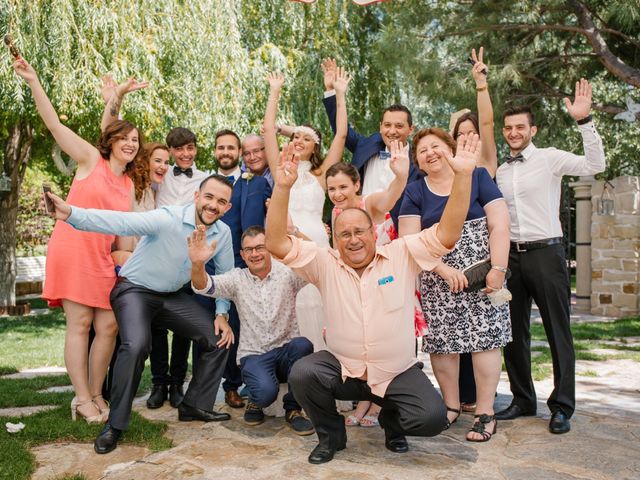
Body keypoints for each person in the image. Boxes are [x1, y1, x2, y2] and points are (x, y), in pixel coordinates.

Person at [265, 134, 480, 464]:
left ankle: (391, 424)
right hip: (345, 370)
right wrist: (282, 188)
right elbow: (277, 244)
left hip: (394, 371)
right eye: (344, 234)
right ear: (335, 240)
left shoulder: (401, 254)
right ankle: (332, 435)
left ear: (373, 232)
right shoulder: (323, 263)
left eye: (359, 232)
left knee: (432, 418)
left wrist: (463, 176)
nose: (353, 240)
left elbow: (447, 234)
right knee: (303, 373)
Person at [45, 174, 236, 454]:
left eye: (221, 202)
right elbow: (119, 221)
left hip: (171, 297)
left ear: (227, 208)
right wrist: (70, 213)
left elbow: (226, 276)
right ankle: (115, 425)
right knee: (136, 346)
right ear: (197, 196)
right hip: (134, 290)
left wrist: (222, 313)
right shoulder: (167, 218)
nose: (213, 205)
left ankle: (194, 404)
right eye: (209, 197)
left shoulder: (223, 233)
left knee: (218, 337)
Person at [13, 58, 142, 424]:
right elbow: (54, 125)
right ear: (111, 141)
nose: (131, 144)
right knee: (81, 324)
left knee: (109, 326)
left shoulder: (128, 184)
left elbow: (124, 231)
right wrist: (34, 78)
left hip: (103, 258)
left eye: (136, 140)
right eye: (125, 138)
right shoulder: (89, 160)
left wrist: (126, 259)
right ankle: (82, 398)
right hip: (72, 250)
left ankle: (97, 392)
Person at [495, 80, 606, 435]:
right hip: (511, 258)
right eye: (509, 128)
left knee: (558, 331)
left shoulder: (550, 158)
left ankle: (562, 407)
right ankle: (523, 399)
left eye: (520, 127)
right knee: (512, 334)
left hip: (547, 252)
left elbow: (595, 163)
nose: (514, 133)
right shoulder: (501, 169)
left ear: (533, 130)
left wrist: (584, 121)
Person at [399, 127, 511, 442]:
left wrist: (498, 269)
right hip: (436, 278)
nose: (430, 153)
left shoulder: (478, 177)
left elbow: (499, 223)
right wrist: (442, 268)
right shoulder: (414, 191)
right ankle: (450, 405)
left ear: (451, 148)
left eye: (435, 146)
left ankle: (485, 412)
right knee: (442, 344)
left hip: (483, 274)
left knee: (485, 340)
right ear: (417, 161)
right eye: (422, 151)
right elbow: (409, 240)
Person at [189, 225, 314, 434]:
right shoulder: (237, 279)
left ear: (270, 250)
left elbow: (314, 260)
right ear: (243, 254)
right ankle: (256, 400)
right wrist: (198, 263)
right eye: (249, 249)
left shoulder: (288, 274)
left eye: (260, 247)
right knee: (265, 392)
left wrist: (297, 233)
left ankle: (293, 410)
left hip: (286, 352)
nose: (255, 254)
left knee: (303, 345)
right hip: (254, 354)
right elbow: (204, 286)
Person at [263, 67, 350, 351]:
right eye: (295, 137)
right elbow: (267, 130)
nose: (298, 141)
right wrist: (274, 91)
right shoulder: (280, 169)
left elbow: (341, 135)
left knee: (315, 302)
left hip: (314, 242)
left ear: (315, 147)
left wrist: (340, 94)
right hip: (282, 243)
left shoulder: (322, 174)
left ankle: (321, 371)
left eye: (305, 138)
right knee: (284, 305)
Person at [450, 46, 499, 412]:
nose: (468, 136)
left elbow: (486, 125)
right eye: (460, 132)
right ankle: (462, 397)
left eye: (471, 132)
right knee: (456, 331)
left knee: (484, 332)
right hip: (451, 260)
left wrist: (480, 86)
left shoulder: (485, 164)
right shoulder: (448, 170)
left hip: (484, 255)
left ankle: (484, 397)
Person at [320, 58, 422, 224]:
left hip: (399, 226)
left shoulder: (420, 158)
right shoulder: (367, 144)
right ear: (380, 126)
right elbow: (342, 131)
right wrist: (333, 92)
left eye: (399, 126)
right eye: (387, 125)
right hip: (361, 222)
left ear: (411, 129)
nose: (392, 131)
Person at [212, 129, 272, 409]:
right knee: (230, 325)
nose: (250, 156)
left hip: (260, 259)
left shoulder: (258, 183)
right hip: (226, 264)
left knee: (258, 324)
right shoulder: (212, 184)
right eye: (220, 147)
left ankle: (260, 380)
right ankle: (231, 384)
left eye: (233, 148)